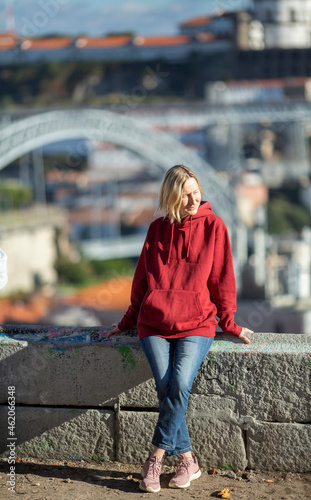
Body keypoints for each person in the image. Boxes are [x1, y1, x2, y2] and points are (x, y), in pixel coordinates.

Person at [107, 164, 253, 493]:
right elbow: (142, 281)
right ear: (172, 196)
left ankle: (155, 458)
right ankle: (188, 459)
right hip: (154, 323)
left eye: (195, 190)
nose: (193, 198)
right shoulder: (157, 229)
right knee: (166, 386)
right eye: (185, 193)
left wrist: (228, 322)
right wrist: (126, 322)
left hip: (197, 323)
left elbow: (222, 279)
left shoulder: (215, 227)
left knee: (179, 384)